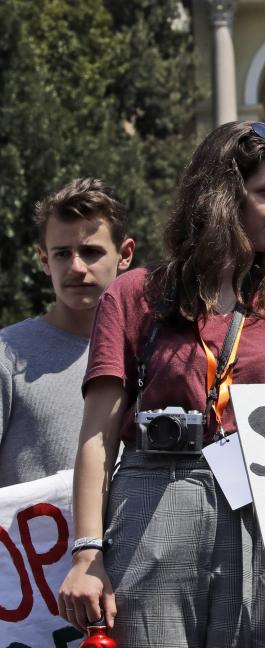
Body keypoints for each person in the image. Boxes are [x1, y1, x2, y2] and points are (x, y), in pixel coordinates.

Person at [57, 121, 265, 647]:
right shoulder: (135, 293)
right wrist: (88, 553)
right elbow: (98, 435)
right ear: (224, 196)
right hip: (154, 504)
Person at [0, 178, 134, 488]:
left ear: (125, 254)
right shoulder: (8, 355)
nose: (75, 267)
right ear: (44, 259)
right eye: (61, 254)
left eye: (91, 252)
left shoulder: (152, 356)